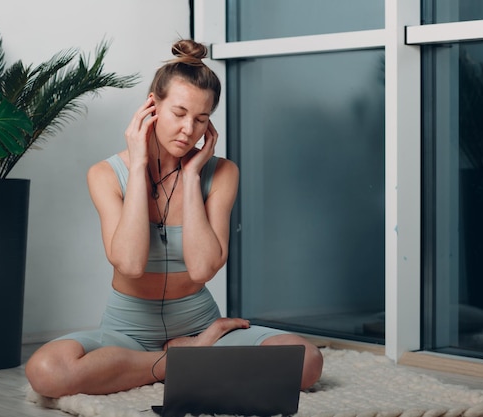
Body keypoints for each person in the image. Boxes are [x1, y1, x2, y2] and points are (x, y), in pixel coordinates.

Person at [25, 39, 323, 398]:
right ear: (152, 105)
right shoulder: (105, 174)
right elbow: (131, 264)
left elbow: (201, 269)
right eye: (179, 114)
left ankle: (163, 364)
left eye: (201, 119)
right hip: (126, 332)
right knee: (47, 371)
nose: (188, 130)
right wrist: (137, 165)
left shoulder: (222, 173)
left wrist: (194, 175)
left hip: (201, 325)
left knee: (306, 361)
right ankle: (177, 361)